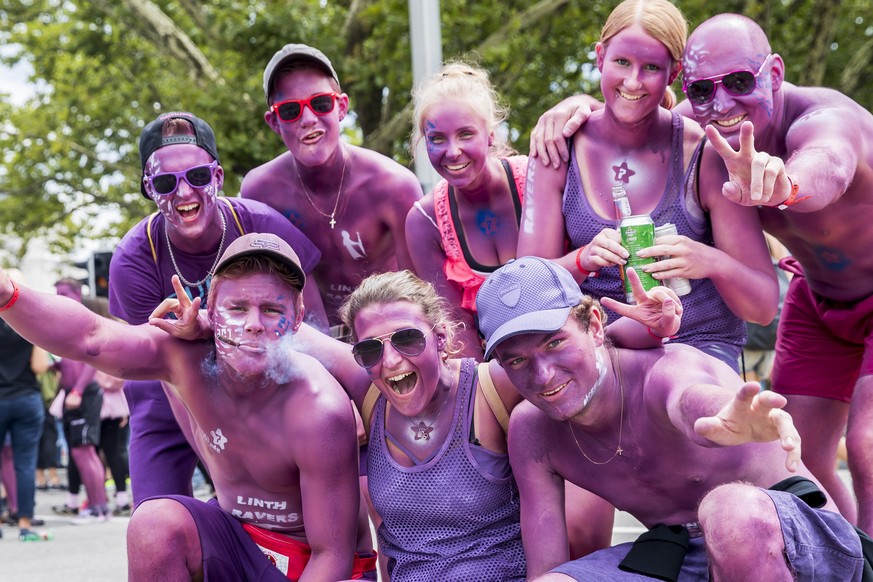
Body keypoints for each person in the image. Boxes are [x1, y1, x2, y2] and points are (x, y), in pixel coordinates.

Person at [533, 11, 873, 534]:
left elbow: (829, 165)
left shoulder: (818, 121)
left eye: (741, 82)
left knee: (867, 444)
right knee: (798, 456)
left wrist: (785, 187)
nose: (724, 102)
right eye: (705, 89)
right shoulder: (708, 126)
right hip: (818, 296)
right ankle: (849, 561)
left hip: (831, 301)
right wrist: (572, 107)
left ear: (774, 74)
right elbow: (632, 97)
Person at [0, 233, 374, 580]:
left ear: (296, 315)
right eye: (237, 307)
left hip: (311, 563)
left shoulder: (318, 407)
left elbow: (332, 558)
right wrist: (7, 294)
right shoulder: (184, 356)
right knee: (153, 525)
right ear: (210, 306)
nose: (252, 325)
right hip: (238, 542)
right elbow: (91, 338)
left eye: (272, 310)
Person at [475, 256, 865, 580]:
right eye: (518, 360)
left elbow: (690, 399)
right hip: (682, 555)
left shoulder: (663, 371)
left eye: (555, 342)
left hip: (805, 546)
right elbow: (546, 565)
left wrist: (727, 416)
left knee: (729, 512)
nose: (542, 375)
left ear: (594, 324)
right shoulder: (532, 430)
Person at [329, 267, 682, 580]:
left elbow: (568, 355)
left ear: (439, 338)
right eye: (370, 350)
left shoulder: (489, 388)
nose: (390, 360)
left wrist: (651, 327)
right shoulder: (370, 392)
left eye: (408, 339)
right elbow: (285, 331)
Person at [518, 0, 777, 372]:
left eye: (651, 67)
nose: (633, 82)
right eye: (622, 62)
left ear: (673, 74)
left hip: (699, 349)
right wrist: (582, 259)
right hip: (600, 357)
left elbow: (764, 307)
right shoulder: (558, 148)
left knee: (683, 397)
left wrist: (709, 262)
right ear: (600, 57)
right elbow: (529, 290)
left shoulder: (703, 153)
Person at [109, 111, 324, 509]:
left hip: (264, 387)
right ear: (148, 189)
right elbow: (151, 365)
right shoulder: (134, 259)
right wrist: (214, 459)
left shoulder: (261, 227)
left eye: (198, 177)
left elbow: (311, 328)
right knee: (155, 521)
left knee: (274, 517)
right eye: (165, 183)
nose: (185, 193)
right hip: (166, 396)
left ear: (219, 177)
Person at [241, 43, 422, 339]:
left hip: (390, 331)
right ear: (274, 122)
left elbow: (422, 291)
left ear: (341, 107)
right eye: (290, 110)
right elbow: (260, 288)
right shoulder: (260, 192)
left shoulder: (392, 185)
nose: (308, 118)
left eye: (321, 103)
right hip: (306, 337)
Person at [405, 62, 529, 357]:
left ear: (490, 135)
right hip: (493, 367)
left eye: (465, 134)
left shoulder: (536, 180)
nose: (452, 151)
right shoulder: (425, 221)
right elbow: (456, 328)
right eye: (437, 139)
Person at [52, 278, 112, 524]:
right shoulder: (64, 320)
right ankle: (97, 507)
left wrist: (77, 390)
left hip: (83, 394)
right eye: (57, 293)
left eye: (64, 293)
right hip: (72, 395)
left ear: (78, 294)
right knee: (80, 453)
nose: (59, 297)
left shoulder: (80, 318)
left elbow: (91, 358)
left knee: (85, 452)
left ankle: (100, 508)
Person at [0, 269, 51, 541]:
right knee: (25, 463)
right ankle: (25, 525)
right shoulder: (31, 323)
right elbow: (39, 366)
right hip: (27, 399)